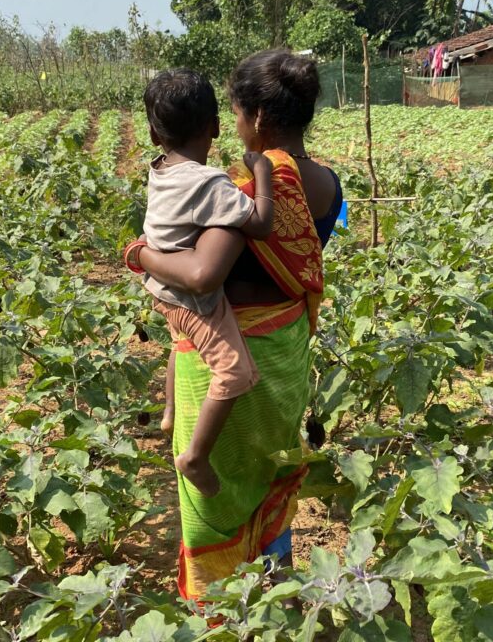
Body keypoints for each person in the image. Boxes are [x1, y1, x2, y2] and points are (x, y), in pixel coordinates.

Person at [137, 49, 343, 601]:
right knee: (269, 477)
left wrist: (142, 257)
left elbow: (203, 274)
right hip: (286, 352)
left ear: (254, 117)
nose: (230, 125)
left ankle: (222, 614)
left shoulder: (244, 189)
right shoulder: (328, 183)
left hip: (228, 360)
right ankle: (275, 596)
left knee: (215, 499)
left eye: (235, 113)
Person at [124, 68, 276, 498]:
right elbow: (261, 224)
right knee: (235, 371)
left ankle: (170, 411)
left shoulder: (159, 169)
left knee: (178, 341)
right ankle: (195, 456)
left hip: (162, 291)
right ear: (214, 126)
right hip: (190, 297)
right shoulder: (209, 183)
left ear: (155, 137)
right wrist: (260, 171)